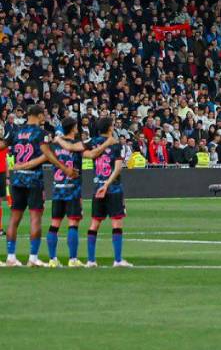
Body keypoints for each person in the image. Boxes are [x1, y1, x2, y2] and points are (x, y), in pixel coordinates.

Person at [3, 105, 77, 267]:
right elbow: (48, 155)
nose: (45, 116)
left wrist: (21, 165)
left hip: (17, 180)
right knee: (35, 218)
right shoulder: (41, 133)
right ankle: (33, 257)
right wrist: (64, 168)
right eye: (43, 113)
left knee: (14, 218)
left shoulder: (15, 131)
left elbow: (2, 145)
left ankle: (10, 256)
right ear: (37, 115)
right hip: (34, 180)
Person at [49, 117, 116, 267]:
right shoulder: (78, 145)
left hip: (57, 188)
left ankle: (52, 259)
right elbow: (91, 155)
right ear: (73, 128)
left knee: (54, 224)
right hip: (73, 188)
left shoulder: (54, 145)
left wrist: (57, 139)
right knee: (73, 223)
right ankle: (73, 259)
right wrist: (107, 143)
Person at [86, 117, 132, 268]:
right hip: (113, 188)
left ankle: (91, 260)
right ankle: (117, 260)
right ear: (110, 128)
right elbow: (118, 167)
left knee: (95, 223)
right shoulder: (115, 144)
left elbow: (86, 154)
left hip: (97, 186)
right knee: (116, 223)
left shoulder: (92, 143)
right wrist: (107, 184)